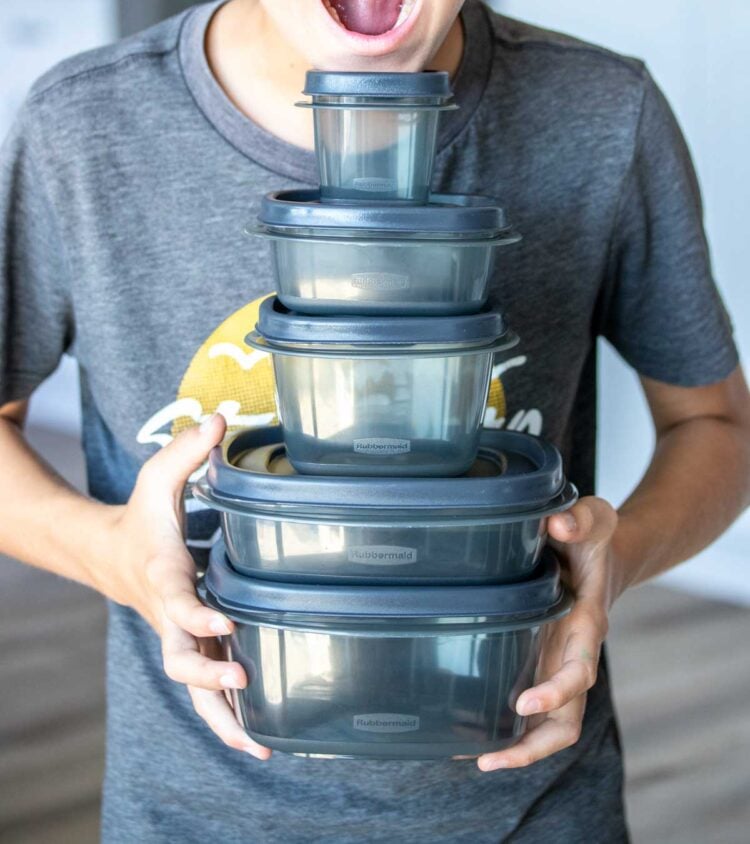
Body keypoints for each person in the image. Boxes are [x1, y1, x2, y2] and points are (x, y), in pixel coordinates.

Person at [1, 1, 748, 841]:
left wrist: (616, 562)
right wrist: (113, 555)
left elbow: (714, 423)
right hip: (196, 815)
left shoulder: (606, 111)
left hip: (526, 811)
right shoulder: (81, 123)